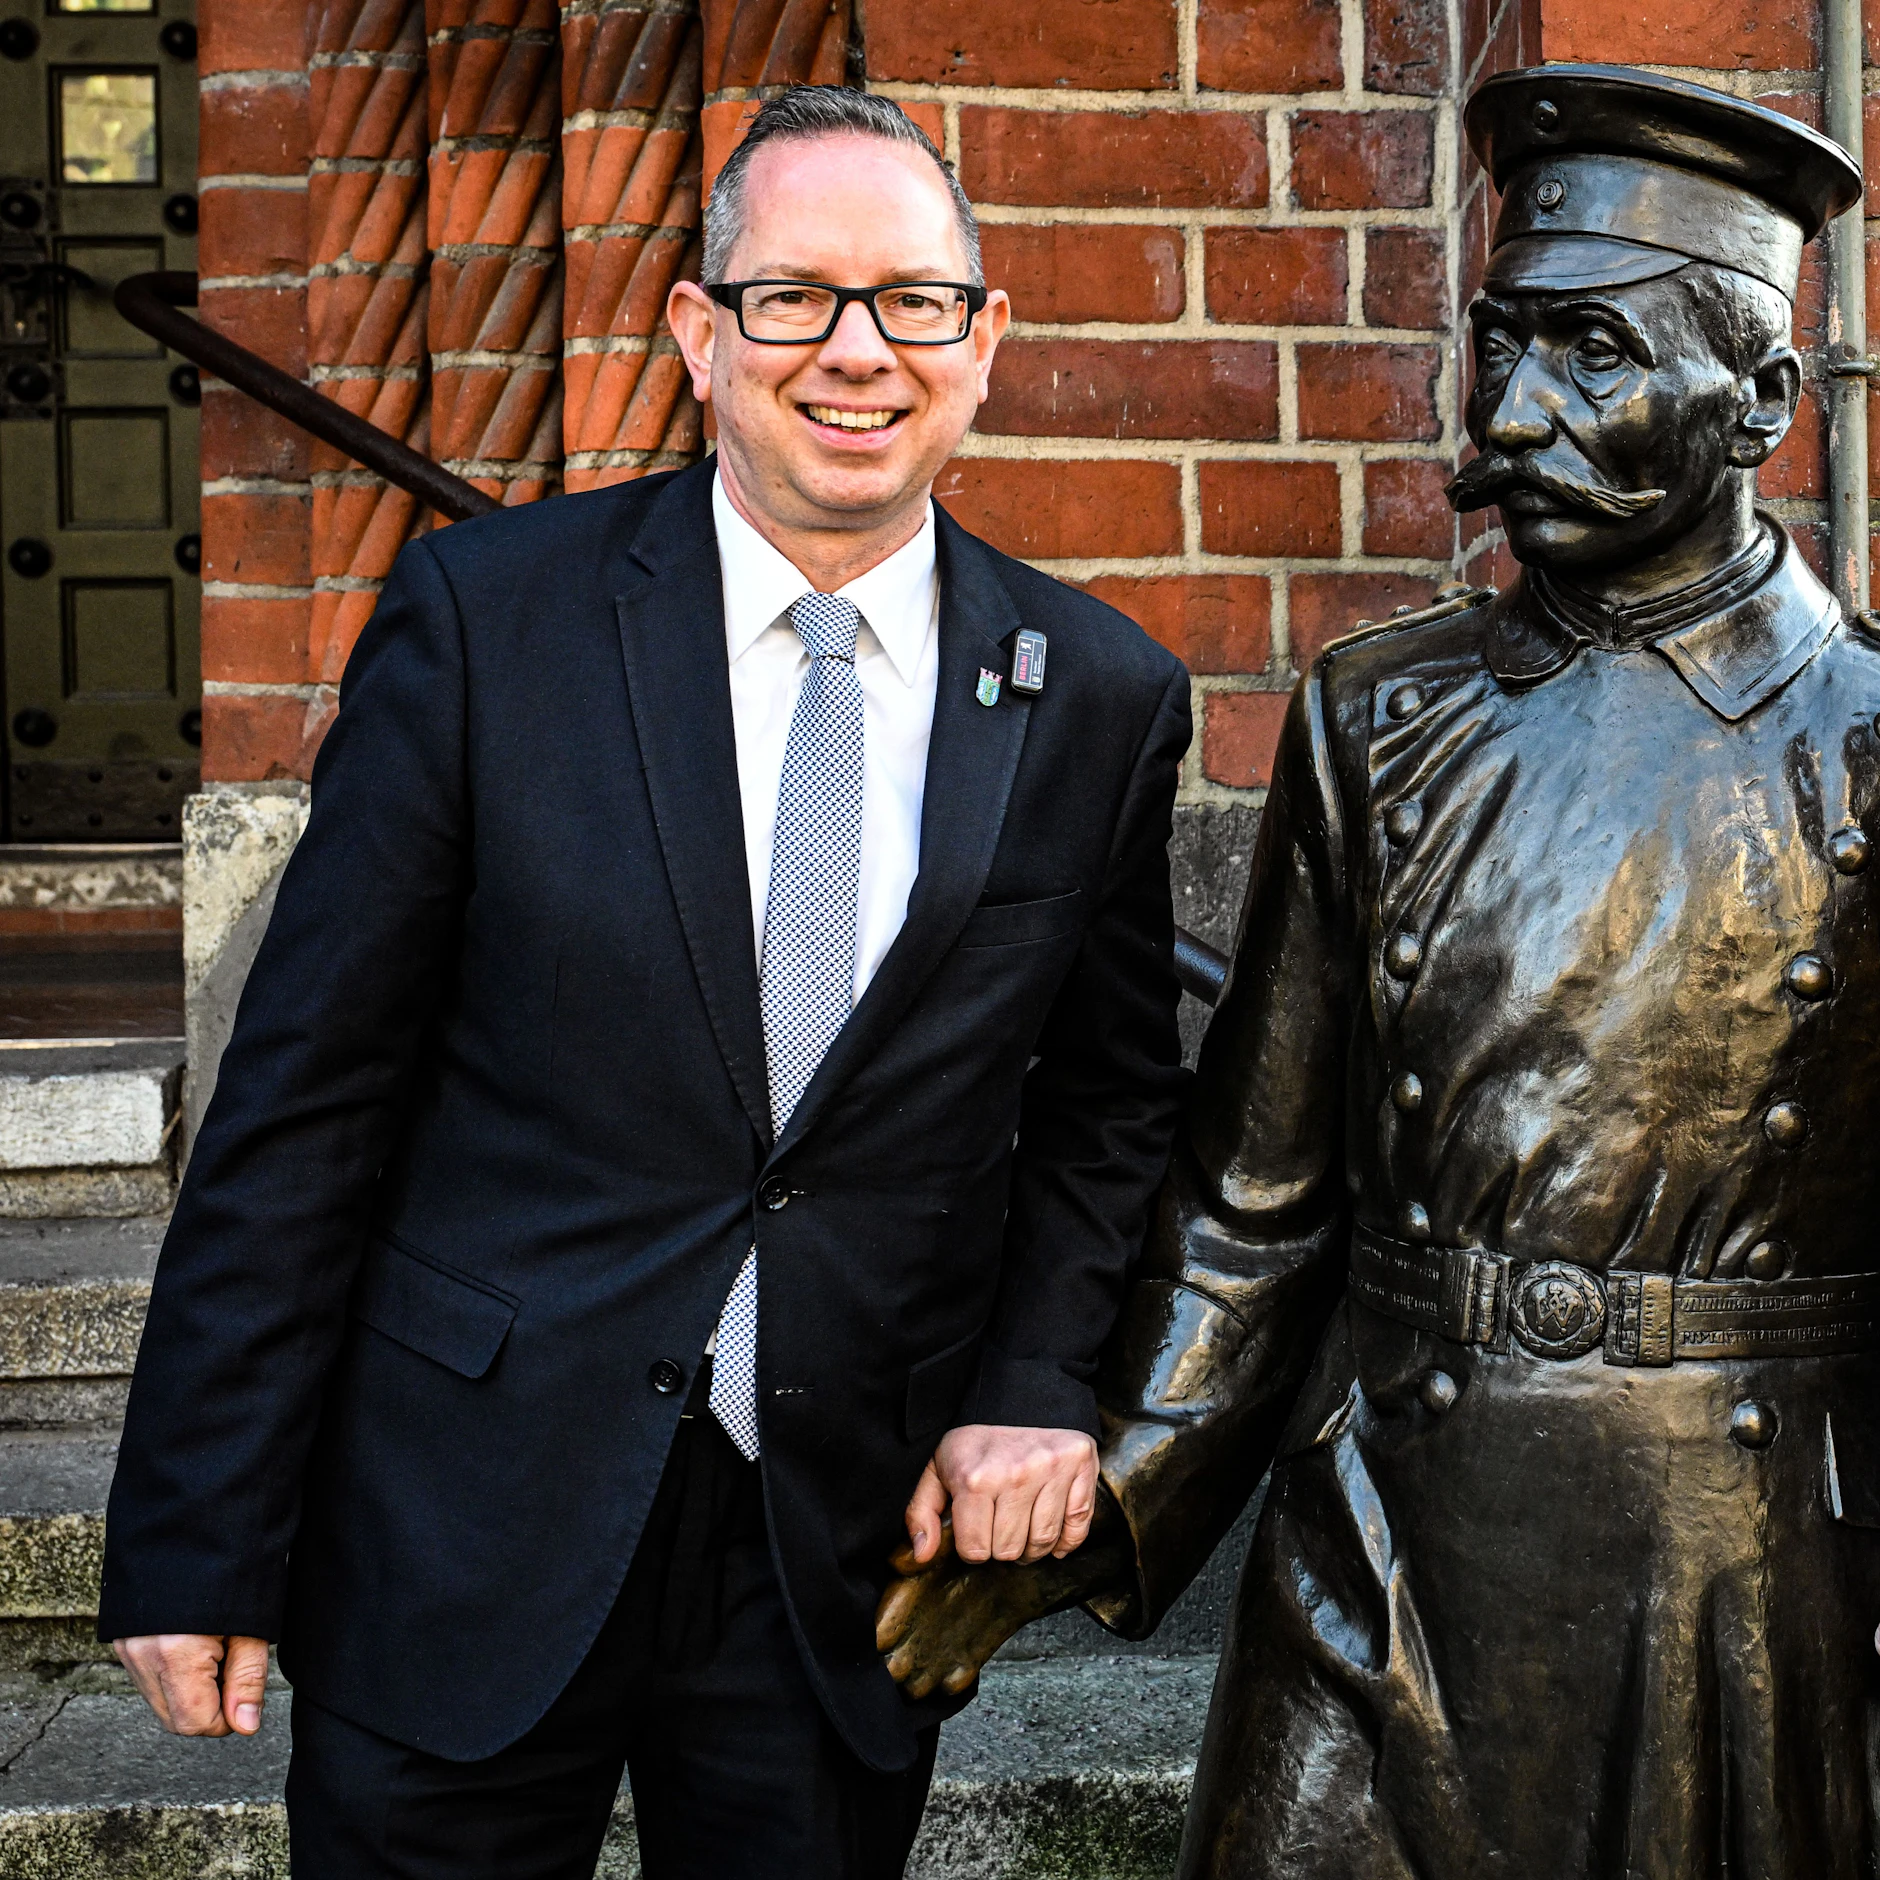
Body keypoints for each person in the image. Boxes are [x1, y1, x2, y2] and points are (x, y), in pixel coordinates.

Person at [99, 86, 1190, 1879]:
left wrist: (1041, 1386)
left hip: (841, 1543)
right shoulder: (482, 625)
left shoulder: (1096, 692)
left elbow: (1106, 1106)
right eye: (794, 297)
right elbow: (306, 1105)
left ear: (984, 342)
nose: (858, 351)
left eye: (914, 299)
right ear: (700, 331)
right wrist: (199, 1529)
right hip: (467, 1509)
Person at [877, 63, 1880, 1877]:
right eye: (1500, 347)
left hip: (1729, 1579)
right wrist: (1110, 1497)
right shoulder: (1379, 717)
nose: (1512, 413)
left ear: (1768, 403)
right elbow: (1254, 1197)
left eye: (1590, 352)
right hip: (1382, 1547)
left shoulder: (1870, 745)